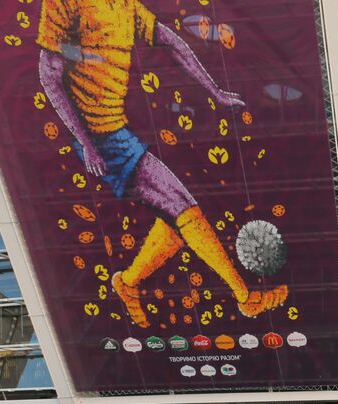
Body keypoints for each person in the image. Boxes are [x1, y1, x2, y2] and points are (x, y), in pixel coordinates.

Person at [36, 0, 286, 329]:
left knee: (174, 227)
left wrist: (215, 90)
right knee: (186, 211)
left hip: (117, 134)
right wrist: (84, 141)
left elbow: (172, 42)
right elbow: (48, 72)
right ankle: (245, 297)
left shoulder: (126, 7)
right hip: (99, 140)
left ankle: (127, 282)